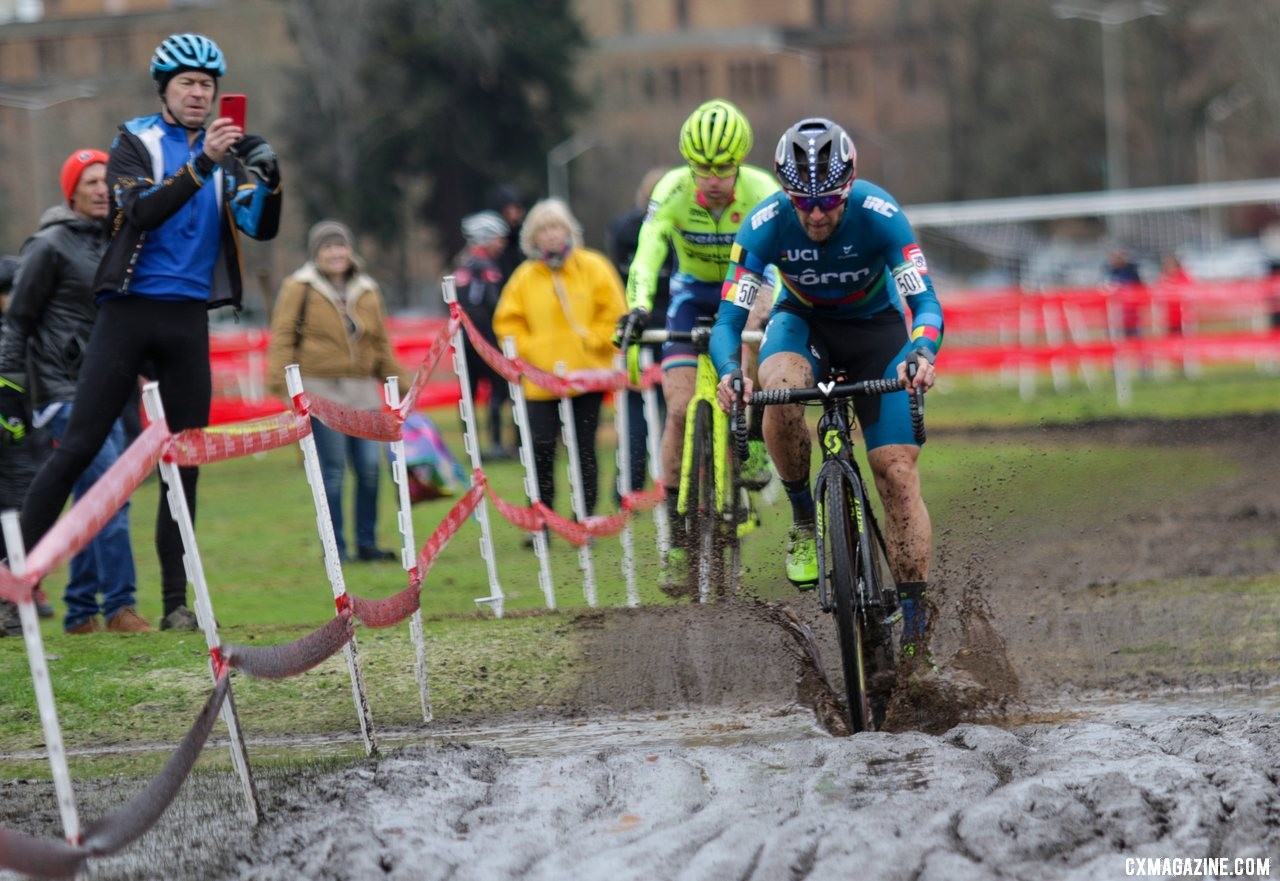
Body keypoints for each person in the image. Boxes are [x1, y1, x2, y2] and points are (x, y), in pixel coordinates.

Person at [13, 33, 283, 633]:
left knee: (184, 464)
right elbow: (139, 211)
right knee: (80, 447)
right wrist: (205, 162)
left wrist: (270, 179)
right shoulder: (134, 141)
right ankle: (10, 580)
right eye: (187, 83)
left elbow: (259, 227)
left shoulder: (223, 150)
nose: (199, 93)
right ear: (164, 90)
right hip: (129, 311)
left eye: (207, 86)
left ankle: (175, 605)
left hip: (188, 319)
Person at [710, 117, 943, 661]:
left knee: (897, 472)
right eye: (803, 202)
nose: (815, 214)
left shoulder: (880, 214)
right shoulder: (764, 223)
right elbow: (728, 320)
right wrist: (729, 371)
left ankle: (913, 623)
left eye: (829, 201)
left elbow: (925, 304)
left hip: (876, 332)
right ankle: (801, 520)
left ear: (850, 182)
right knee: (782, 389)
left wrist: (921, 352)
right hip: (802, 325)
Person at [612, 98, 780, 581]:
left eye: (722, 167)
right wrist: (639, 305)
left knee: (754, 343)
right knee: (682, 409)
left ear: (739, 162)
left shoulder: (761, 190)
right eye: (701, 166)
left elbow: (783, 257)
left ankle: (751, 437)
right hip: (690, 296)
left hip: (748, 287)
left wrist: (779, 304)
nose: (711, 177)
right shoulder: (673, 190)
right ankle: (680, 532)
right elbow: (647, 254)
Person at [0, 148, 145, 633]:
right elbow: (17, 321)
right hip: (62, 391)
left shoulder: (121, 239)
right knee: (111, 495)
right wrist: (9, 385)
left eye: (108, 180)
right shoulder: (49, 245)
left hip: (114, 387)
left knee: (93, 499)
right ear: (72, 191)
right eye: (91, 182)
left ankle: (81, 610)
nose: (102, 189)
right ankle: (120, 606)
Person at [266, 220, 402, 563]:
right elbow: (282, 336)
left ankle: (367, 542)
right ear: (316, 253)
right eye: (327, 247)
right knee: (333, 472)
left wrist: (402, 386)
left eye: (340, 246)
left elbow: (381, 344)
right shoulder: (299, 287)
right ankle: (337, 548)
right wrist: (281, 386)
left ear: (350, 250)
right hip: (320, 390)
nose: (335, 253)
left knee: (370, 469)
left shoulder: (368, 289)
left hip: (363, 392)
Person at [493, 198, 626, 537]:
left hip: (586, 378)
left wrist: (592, 342)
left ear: (569, 231)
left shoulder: (594, 267)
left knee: (584, 449)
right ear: (532, 238)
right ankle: (543, 521)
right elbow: (507, 323)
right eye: (544, 230)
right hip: (540, 382)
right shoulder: (523, 278)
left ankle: (585, 518)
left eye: (557, 228)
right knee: (540, 449)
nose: (552, 236)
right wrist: (532, 352)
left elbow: (614, 314)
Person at [606, 167, 672, 498]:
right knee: (651, 411)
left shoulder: (623, 228)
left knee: (642, 413)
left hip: (643, 325)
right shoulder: (630, 229)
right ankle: (640, 484)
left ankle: (631, 486)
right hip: (658, 329)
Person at [454, 210, 515, 459]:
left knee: (467, 394)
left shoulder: (462, 264)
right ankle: (496, 444)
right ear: (486, 238)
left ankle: (473, 448)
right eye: (499, 238)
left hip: (463, 339)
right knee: (498, 392)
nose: (501, 244)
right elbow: (492, 303)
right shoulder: (487, 266)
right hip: (486, 340)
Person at [490, 183, 528, 280]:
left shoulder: (526, 239)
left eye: (517, 209)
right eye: (508, 211)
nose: (513, 216)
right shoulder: (490, 242)